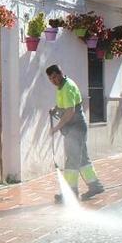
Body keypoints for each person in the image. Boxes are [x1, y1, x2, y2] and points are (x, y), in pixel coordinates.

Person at [45, 65, 105, 203]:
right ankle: (95, 185)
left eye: (54, 77)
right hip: (76, 127)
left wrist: (56, 128)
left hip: (75, 128)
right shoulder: (62, 86)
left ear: (60, 73)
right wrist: (56, 109)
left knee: (72, 160)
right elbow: (66, 106)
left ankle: (70, 193)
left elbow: (70, 111)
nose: (53, 80)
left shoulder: (67, 88)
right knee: (82, 158)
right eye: (50, 79)